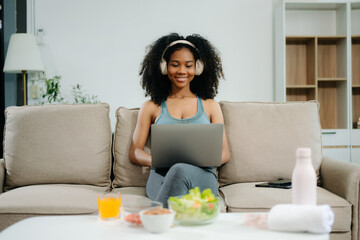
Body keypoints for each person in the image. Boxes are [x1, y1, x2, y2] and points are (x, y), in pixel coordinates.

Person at [129, 33, 230, 207]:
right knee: (176, 172)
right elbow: (135, 152)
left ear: (197, 68)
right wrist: (156, 161)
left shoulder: (210, 106)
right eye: (175, 65)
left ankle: (155, 219)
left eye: (188, 65)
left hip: (202, 177)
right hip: (161, 177)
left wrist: (198, 161)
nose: (182, 71)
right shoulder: (151, 106)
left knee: (180, 169)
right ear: (164, 67)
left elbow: (225, 153)